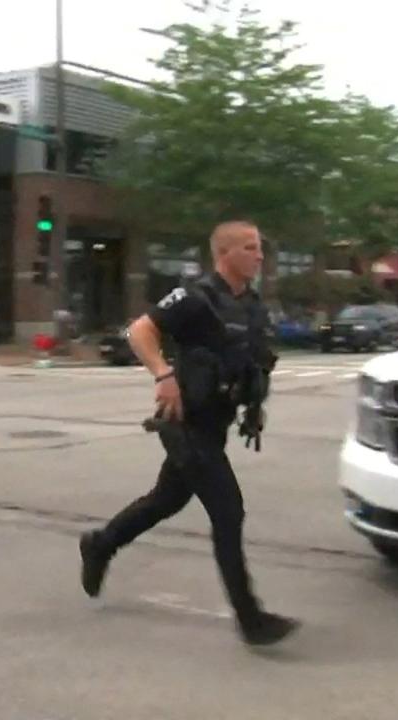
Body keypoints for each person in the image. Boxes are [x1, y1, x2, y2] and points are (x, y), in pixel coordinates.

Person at [78, 220, 300, 646]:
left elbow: (253, 362)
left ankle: (100, 544)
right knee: (228, 510)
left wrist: (254, 407)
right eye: (250, 248)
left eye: (260, 248)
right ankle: (250, 619)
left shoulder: (252, 306)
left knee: (165, 501)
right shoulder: (195, 298)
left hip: (216, 424)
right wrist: (163, 374)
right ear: (225, 254)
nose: (260, 255)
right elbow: (139, 331)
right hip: (186, 424)